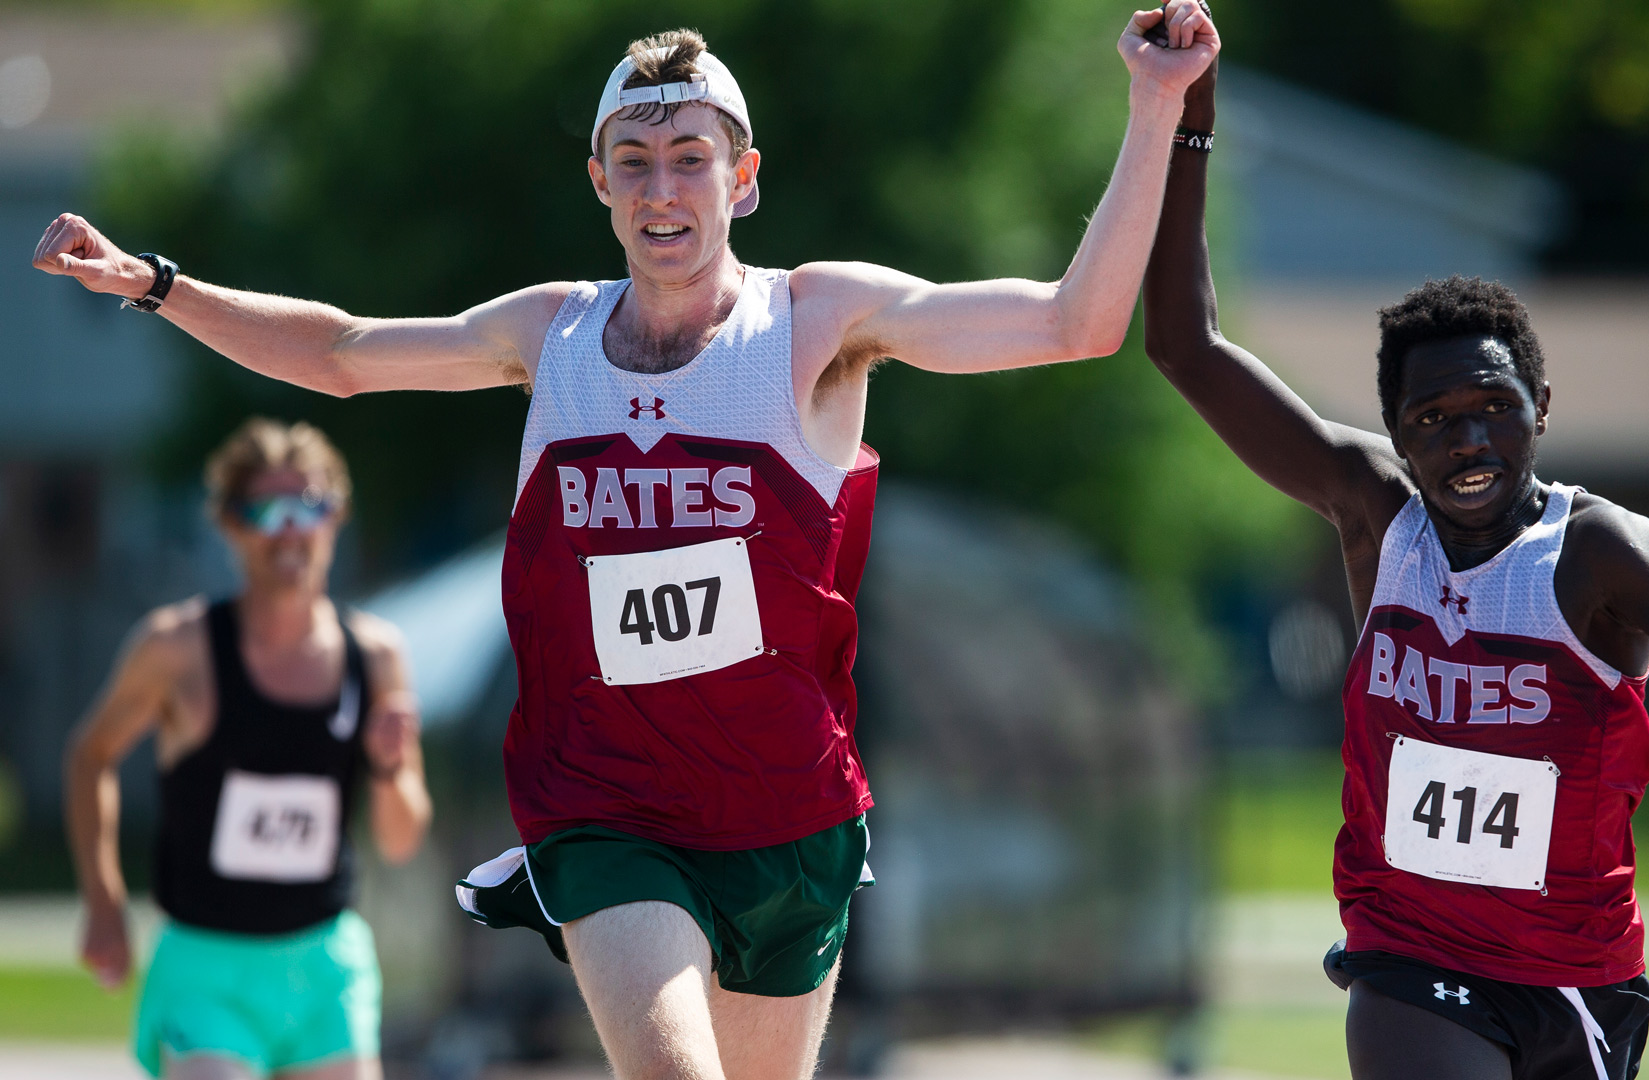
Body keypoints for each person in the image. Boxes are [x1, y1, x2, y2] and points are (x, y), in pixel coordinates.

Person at [35, 9, 1218, 1079]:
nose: (665, 190)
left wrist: (1155, 103)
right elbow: (341, 355)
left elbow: (1077, 323)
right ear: (599, 179)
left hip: (788, 815)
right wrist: (158, 284)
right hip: (608, 809)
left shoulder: (815, 322)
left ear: (742, 179)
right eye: (637, 161)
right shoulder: (549, 334)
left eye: (692, 159)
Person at [1141, 62, 1649, 1080]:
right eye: (1432, 421)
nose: (1467, 440)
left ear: (1541, 406)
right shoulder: (1377, 516)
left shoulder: (1602, 554)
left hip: (1581, 973)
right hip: (1411, 953)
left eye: (1492, 407)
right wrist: (1187, 124)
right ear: (1399, 438)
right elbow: (1185, 348)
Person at [64, 418, 432, 1080]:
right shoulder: (176, 649)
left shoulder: (376, 655)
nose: (290, 529)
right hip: (207, 970)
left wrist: (388, 767)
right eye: (266, 510)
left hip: (325, 969)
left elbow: (402, 839)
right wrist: (102, 900)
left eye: (309, 506)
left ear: (336, 516)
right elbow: (89, 757)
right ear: (231, 524)